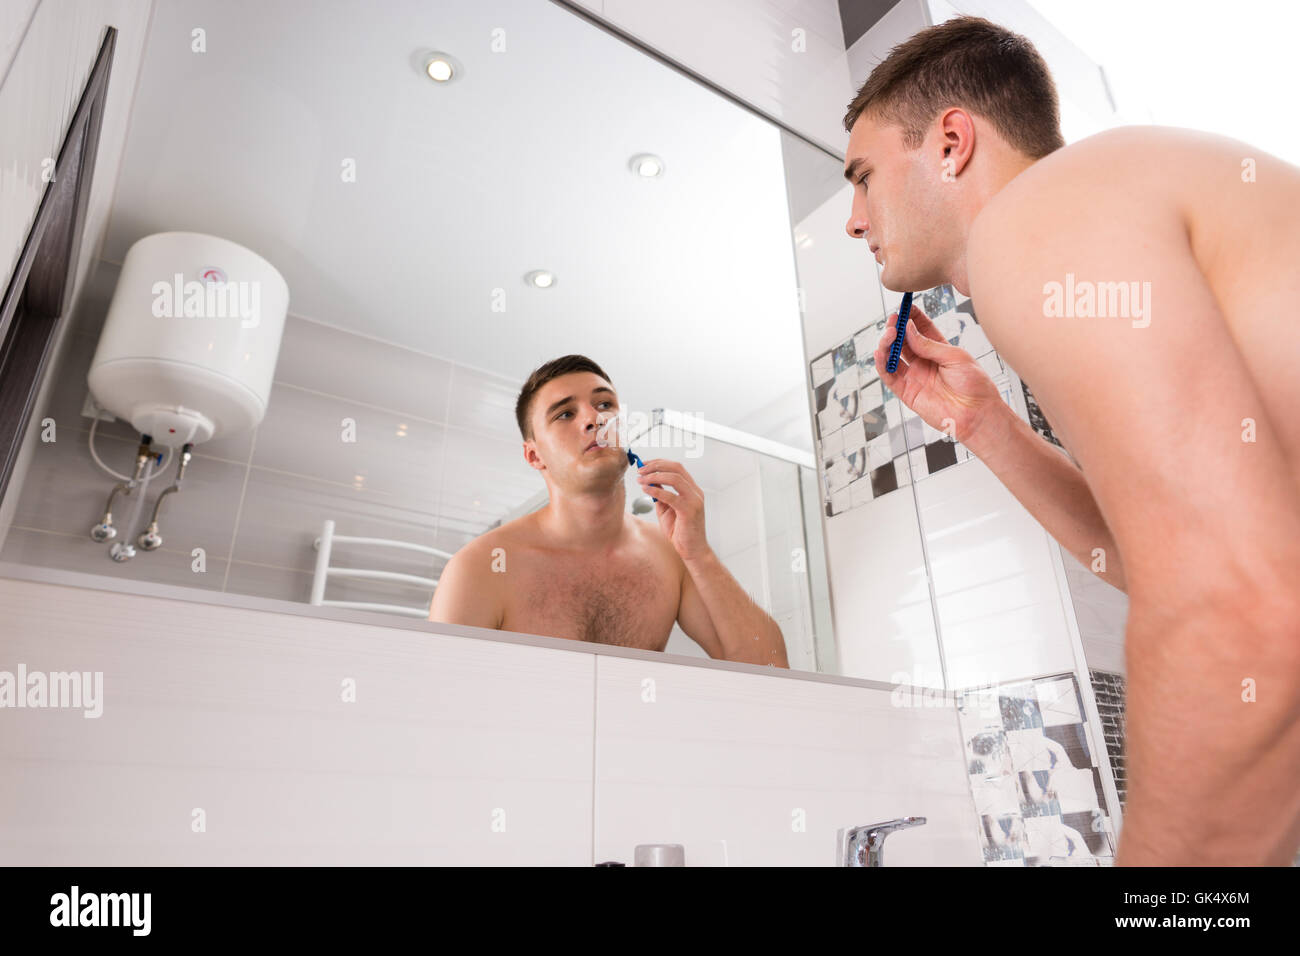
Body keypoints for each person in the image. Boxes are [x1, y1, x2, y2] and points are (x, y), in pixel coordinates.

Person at [842, 15, 1300, 865]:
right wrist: (987, 428)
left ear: (951, 142)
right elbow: (1170, 563)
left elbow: (1233, 607)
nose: (853, 219)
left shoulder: (1032, 218)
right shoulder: (1101, 195)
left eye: (863, 178)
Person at [429, 354, 789, 667]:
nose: (594, 419)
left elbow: (770, 667)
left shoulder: (671, 555)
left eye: (605, 405)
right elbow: (440, 705)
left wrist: (700, 554)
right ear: (534, 455)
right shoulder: (481, 568)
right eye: (565, 413)